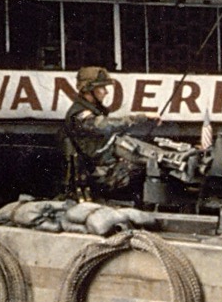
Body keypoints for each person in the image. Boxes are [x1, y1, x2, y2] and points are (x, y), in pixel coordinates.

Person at [62, 66, 166, 201]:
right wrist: (142, 117)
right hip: (99, 175)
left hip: (104, 169)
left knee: (151, 158)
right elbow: (107, 125)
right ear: (88, 89)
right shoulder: (80, 115)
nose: (106, 92)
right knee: (151, 164)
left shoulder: (89, 110)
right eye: (101, 88)